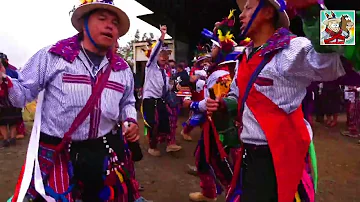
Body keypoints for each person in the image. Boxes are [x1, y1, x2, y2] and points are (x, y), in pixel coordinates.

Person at [206, 0, 352, 201]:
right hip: (248, 154)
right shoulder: (244, 57)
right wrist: (225, 104)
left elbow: (337, 59)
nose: (241, 15)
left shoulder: (292, 48)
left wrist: (312, 11)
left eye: (248, 8)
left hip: (279, 158)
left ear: (267, 12)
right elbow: (236, 96)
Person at [3, 1, 146, 201]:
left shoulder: (122, 68)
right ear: (83, 24)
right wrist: (4, 81)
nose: (110, 26)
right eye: (102, 19)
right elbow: (21, 95)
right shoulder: (53, 56)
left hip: (104, 152)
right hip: (57, 154)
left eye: (114, 22)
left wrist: (129, 120)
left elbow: (127, 101)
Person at [142, 25, 182, 157]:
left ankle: (169, 143)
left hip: (160, 100)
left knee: (166, 120)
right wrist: (162, 36)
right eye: (161, 54)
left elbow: (167, 87)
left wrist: (175, 87)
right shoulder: (151, 66)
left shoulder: (164, 72)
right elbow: (153, 53)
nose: (164, 57)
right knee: (153, 123)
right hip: (149, 100)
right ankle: (152, 147)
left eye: (166, 55)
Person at [0, 55, 23, 147]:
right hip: (14, 102)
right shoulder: (14, 72)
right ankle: (12, 138)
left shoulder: (11, 73)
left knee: (3, 122)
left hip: (3, 103)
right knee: (13, 121)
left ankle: (6, 139)